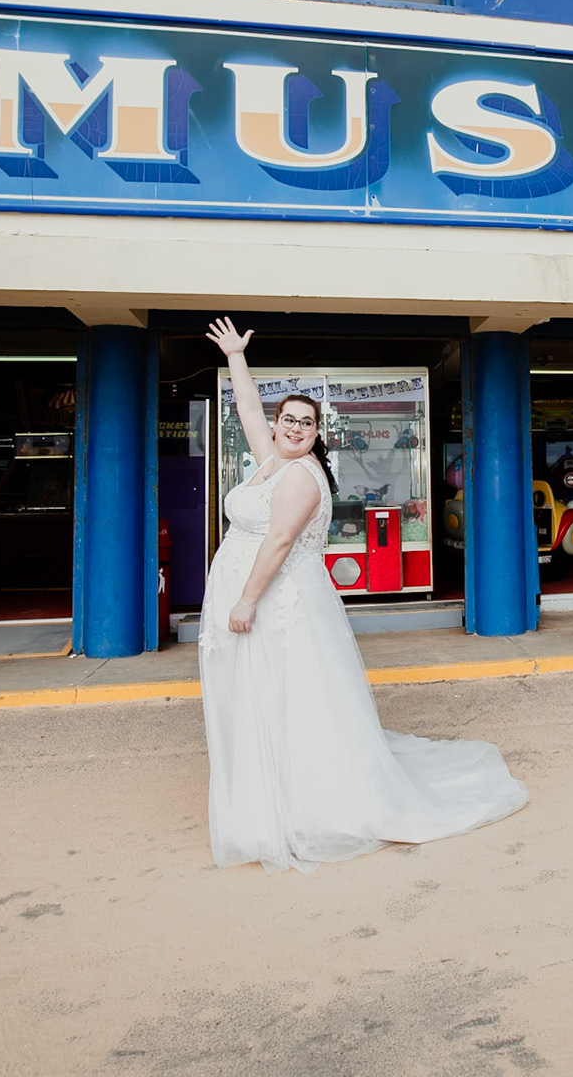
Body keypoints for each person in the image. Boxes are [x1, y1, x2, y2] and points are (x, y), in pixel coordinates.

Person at [198, 317, 529, 871]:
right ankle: (267, 791)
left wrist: (246, 600)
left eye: (306, 423)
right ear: (278, 426)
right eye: (288, 419)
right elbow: (249, 409)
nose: (295, 428)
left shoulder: (299, 476)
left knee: (284, 697)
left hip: (275, 604)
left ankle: (302, 803)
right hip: (258, 599)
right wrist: (236, 357)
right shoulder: (271, 462)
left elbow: (279, 542)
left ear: (317, 433)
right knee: (262, 697)